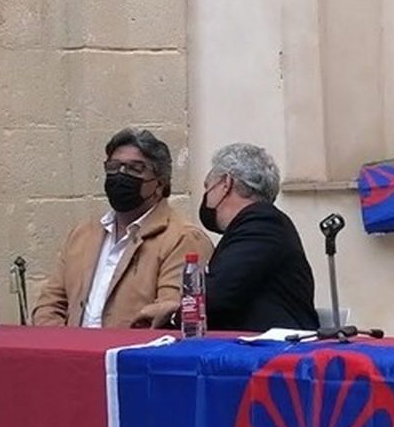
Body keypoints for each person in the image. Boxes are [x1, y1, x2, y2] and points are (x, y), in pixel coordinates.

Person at [32, 128, 213, 328]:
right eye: (113, 167)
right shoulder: (83, 233)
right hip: (74, 353)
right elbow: (50, 303)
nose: (120, 175)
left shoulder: (183, 238)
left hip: (130, 356)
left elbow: (169, 311)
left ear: (159, 183)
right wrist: (61, 346)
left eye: (135, 169)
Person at [198, 143, 318, 332]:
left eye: (208, 186)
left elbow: (215, 297)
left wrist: (174, 311)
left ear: (225, 184)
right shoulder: (254, 225)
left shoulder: (262, 223)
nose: (206, 196)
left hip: (272, 353)